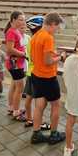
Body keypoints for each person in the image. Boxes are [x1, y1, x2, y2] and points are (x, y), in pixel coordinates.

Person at [30, 12, 66, 145]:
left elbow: (35, 57)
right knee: (56, 105)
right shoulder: (48, 37)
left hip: (37, 75)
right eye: (57, 27)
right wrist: (61, 57)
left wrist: (53, 55)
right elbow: (48, 61)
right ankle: (54, 134)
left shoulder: (36, 35)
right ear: (52, 24)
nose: (57, 30)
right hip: (47, 77)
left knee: (39, 105)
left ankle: (36, 133)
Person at [23, 15, 50, 130]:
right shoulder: (38, 41)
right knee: (41, 101)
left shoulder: (31, 39)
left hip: (30, 72)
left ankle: (29, 119)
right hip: (38, 74)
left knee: (29, 98)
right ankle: (39, 122)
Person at [4, 11, 27, 121]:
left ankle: (12, 107)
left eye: (24, 19)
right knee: (20, 88)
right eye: (20, 19)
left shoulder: (15, 31)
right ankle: (16, 112)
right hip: (15, 64)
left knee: (14, 86)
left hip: (17, 63)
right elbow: (9, 49)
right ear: (13, 20)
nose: (23, 22)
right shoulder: (12, 32)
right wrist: (23, 54)